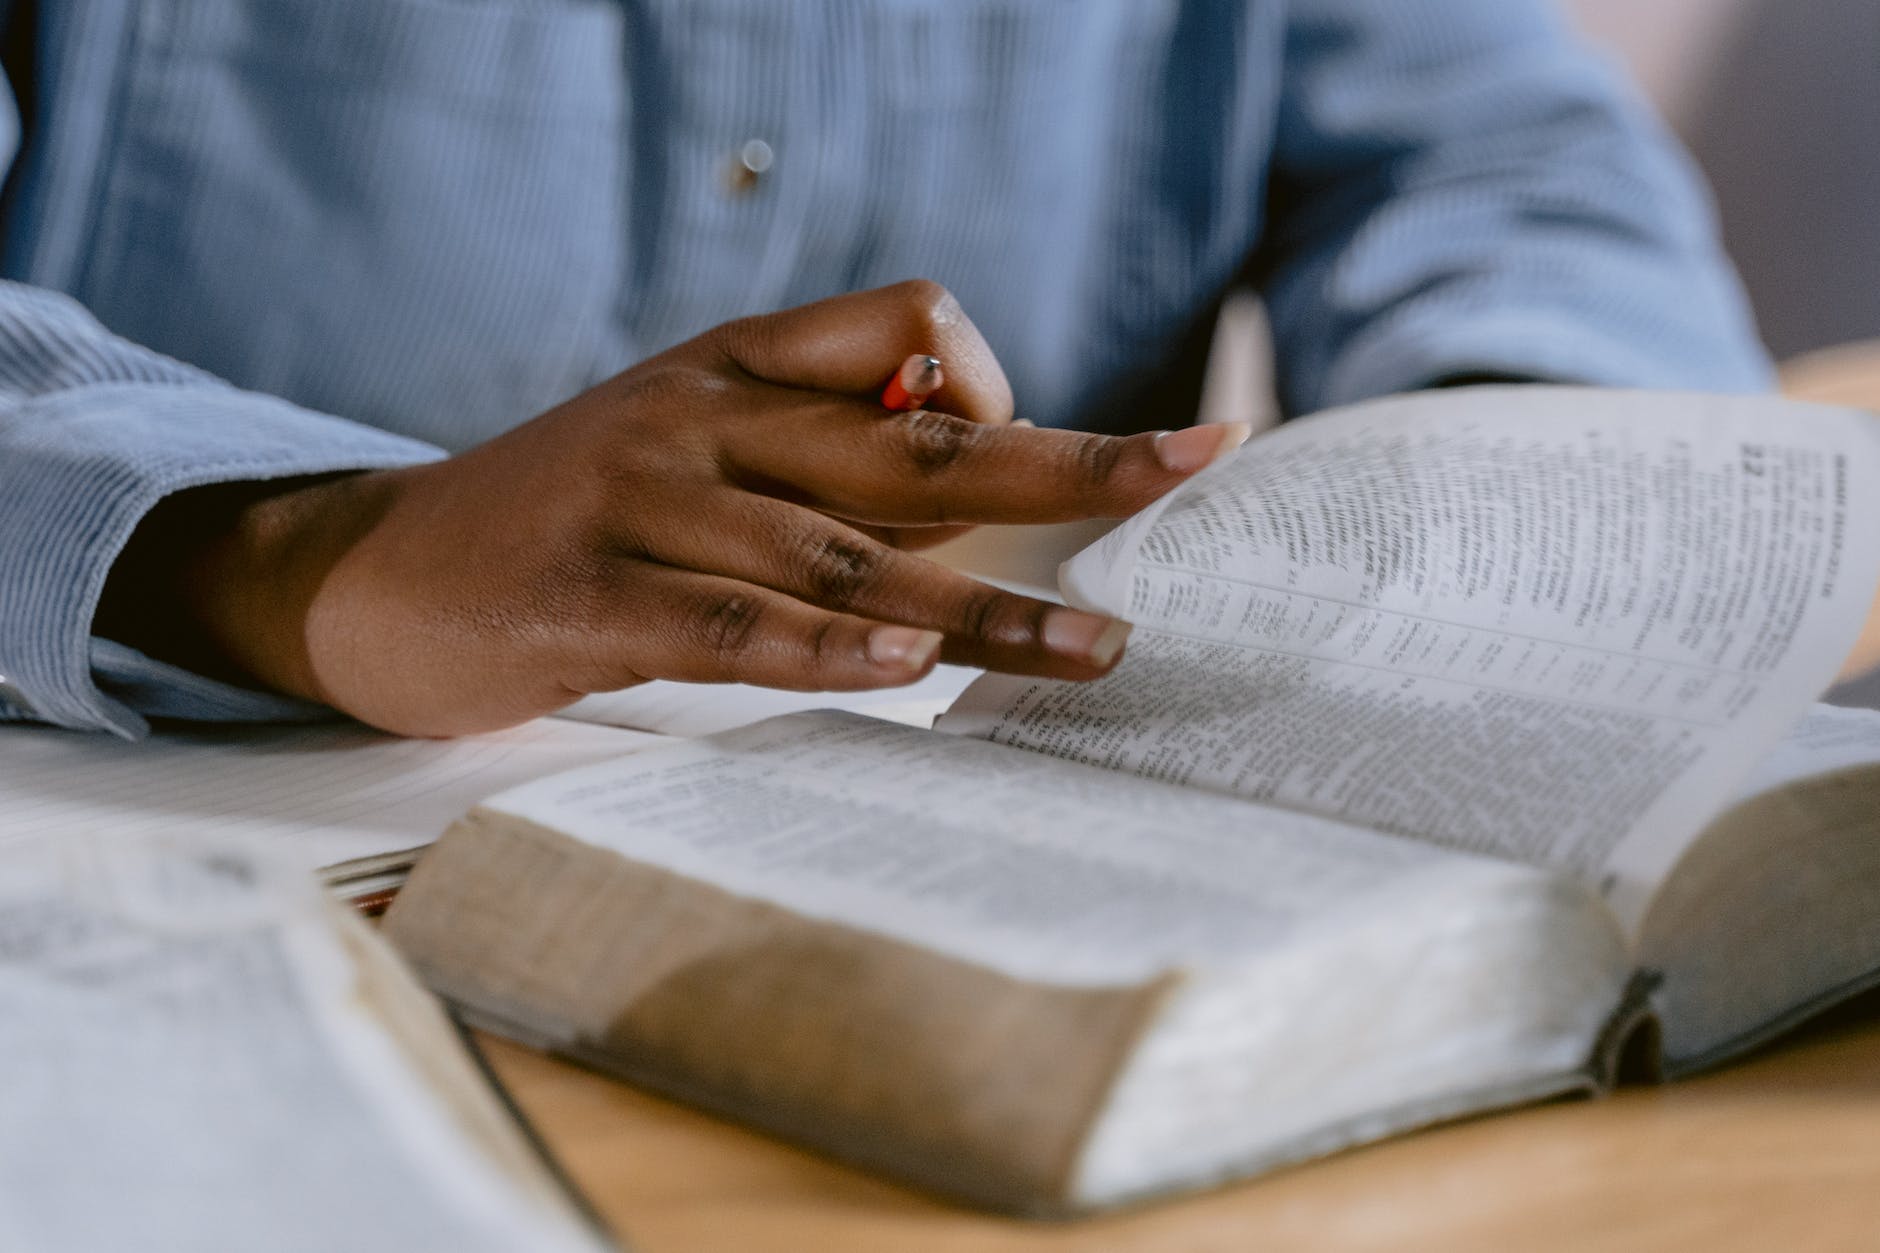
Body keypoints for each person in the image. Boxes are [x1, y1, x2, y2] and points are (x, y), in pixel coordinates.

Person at [0, 0, 1773, 739]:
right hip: (187, 798)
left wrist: (1494, 495)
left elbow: (1499, 164)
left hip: (976, 804)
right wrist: (287, 545)